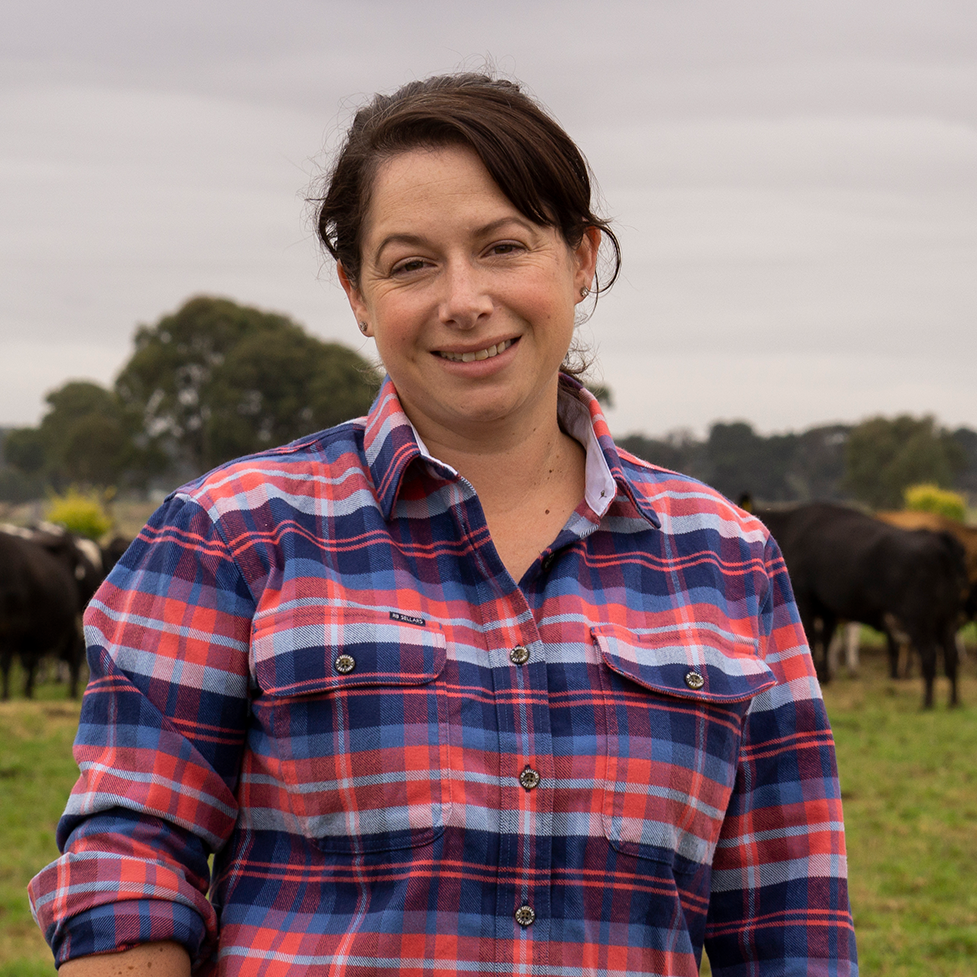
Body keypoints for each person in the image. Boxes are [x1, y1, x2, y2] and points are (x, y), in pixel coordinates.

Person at [30, 72, 857, 976]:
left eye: (503, 246)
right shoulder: (229, 535)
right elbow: (129, 865)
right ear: (356, 292)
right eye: (411, 263)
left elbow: (791, 928)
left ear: (580, 257)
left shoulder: (728, 560)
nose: (463, 299)